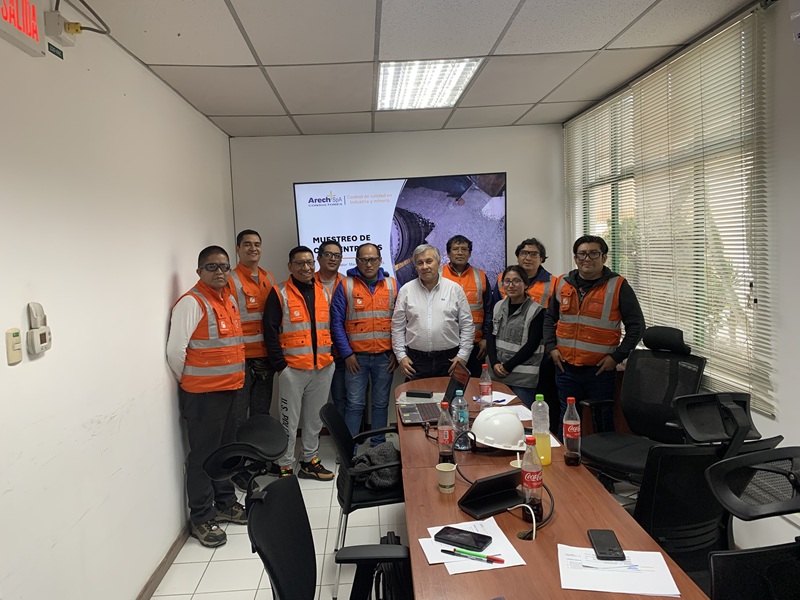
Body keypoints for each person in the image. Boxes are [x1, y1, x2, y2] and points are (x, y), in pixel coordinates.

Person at [166, 246, 247, 548]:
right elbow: (175, 352)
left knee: (225, 451)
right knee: (202, 456)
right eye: (212, 267)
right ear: (199, 271)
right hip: (203, 396)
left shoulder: (228, 300)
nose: (219, 272)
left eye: (224, 267)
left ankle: (225, 503)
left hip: (230, 389)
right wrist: (191, 381)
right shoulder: (192, 302)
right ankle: (201, 516)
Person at [544, 235, 645, 433]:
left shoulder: (618, 285)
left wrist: (617, 357)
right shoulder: (562, 283)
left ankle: (602, 454)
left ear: (604, 257)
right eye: (582, 254)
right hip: (565, 368)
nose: (587, 258)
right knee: (568, 419)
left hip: (600, 370)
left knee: (603, 419)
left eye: (593, 254)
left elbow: (637, 326)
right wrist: (551, 347)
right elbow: (550, 318)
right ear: (575, 258)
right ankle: (567, 453)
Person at [263, 245, 335, 480]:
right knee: (289, 422)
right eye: (300, 263)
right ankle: (284, 465)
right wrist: (281, 367)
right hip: (292, 370)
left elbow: (331, 327)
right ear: (290, 266)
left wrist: (332, 357)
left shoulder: (324, 291)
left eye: (309, 262)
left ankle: (309, 461)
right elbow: (269, 331)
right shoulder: (279, 292)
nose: (306, 267)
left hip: (322, 368)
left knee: (314, 420)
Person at [330, 243, 398, 444]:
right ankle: (349, 450)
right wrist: (347, 354)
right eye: (364, 260)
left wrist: (396, 352)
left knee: (380, 404)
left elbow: (402, 321)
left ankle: (378, 447)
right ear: (357, 261)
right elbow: (336, 323)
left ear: (380, 260)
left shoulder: (393, 285)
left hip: (385, 358)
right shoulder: (346, 285)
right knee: (354, 405)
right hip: (355, 359)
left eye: (373, 259)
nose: (369, 264)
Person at [226, 230, 279, 484]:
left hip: (264, 358)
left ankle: (259, 460)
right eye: (247, 244)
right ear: (238, 249)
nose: (253, 248)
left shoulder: (268, 277)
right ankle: (238, 468)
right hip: (242, 360)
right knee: (238, 416)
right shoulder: (231, 280)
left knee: (260, 413)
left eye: (257, 244)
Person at [391, 244, 474, 380]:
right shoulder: (406, 290)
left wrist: (463, 355)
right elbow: (397, 327)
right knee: (416, 395)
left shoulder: (454, 289)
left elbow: (467, 326)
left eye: (429, 261)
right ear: (415, 266)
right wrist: (401, 356)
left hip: (450, 360)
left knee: (449, 394)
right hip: (416, 362)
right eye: (420, 263)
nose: (425, 266)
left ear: (438, 262)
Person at [487, 265, 545, 408]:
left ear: (526, 284)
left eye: (516, 281)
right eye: (507, 281)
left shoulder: (536, 311)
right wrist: (494, 363)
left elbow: (532, 345)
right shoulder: (498, 306)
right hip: (497, 373)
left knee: (521, 416)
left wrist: (507, 367)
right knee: (498, 415)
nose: (511, 285)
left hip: (521, 378)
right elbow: (491, 336)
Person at [441, 234, 494, 377]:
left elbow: (489, 310)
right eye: (455, 249)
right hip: (446, 344)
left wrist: (486, 338)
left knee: (473, 385)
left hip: (475, 345)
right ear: (448, 253)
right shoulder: (438, 276)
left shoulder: (480, 276)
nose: (460, 253)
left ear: (470, 253)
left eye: (464, 249)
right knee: (445, 385)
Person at [314, 240, 346, 419]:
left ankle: (345, 433)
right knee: (315, 399)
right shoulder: (309, 282)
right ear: (319, 258)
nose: (333, 259)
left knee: (342, 397)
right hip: (317, 352)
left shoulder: (347, 283)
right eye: (328, 254)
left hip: (342, 351)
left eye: (337, 255)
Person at [492, 238, 555, 307]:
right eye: (523, 253)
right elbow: (495, 307)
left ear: (541, 259)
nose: (528, 258)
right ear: (517, 258)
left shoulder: (552, 282)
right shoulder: (502, 278)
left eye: (534, 254)